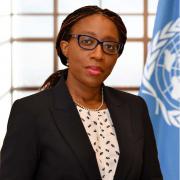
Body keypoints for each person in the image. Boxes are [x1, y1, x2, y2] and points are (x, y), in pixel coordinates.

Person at [0, 5, 163, 180]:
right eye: (87, 42)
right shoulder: (30, 111)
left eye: (109, 46)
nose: (98, 55)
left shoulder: (135, 108)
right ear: (65, 47)